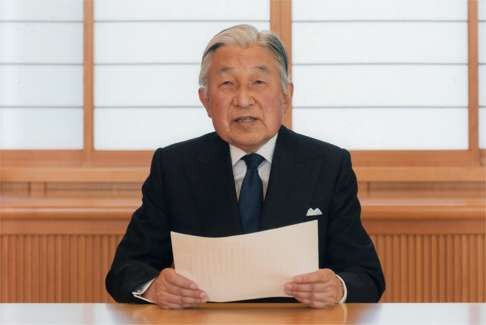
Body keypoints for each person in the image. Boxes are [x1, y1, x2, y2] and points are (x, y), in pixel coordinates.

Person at [106, 24, 385, 309]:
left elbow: (367, 276)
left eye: (258, 83)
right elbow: (126, 270)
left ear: (286, 95)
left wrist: (336, 287)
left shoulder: (328, 165)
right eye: (227, 84)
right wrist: (154, 288)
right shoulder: (175, 166)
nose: (242, 100)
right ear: (205, 100)